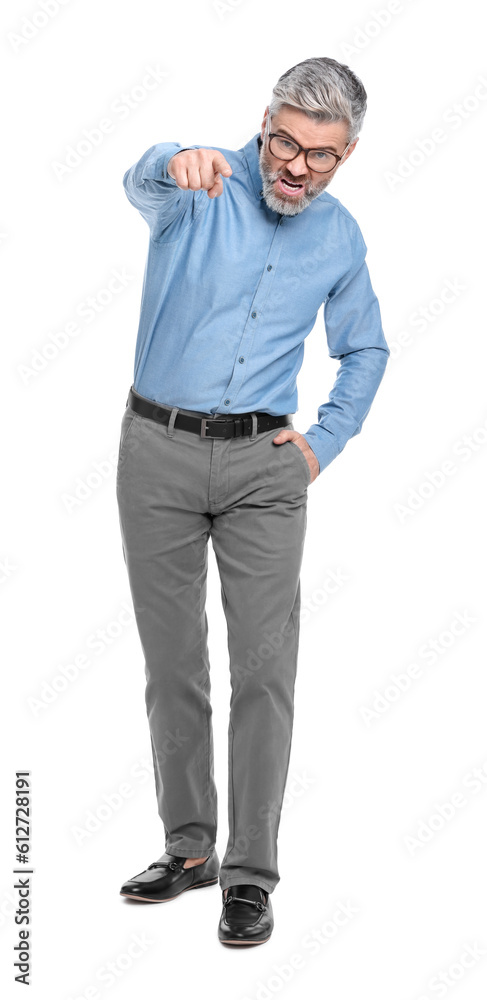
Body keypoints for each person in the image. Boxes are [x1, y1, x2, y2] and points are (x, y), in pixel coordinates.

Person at [117, 55, 390, 946]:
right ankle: (188, 848)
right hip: (156, 454)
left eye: (320, 154)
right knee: (172, 665)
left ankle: (248, 873)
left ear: (345, 155)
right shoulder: (198, 187)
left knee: (264, 673)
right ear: (265, 122)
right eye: (284, 142)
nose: (295, 167)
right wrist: (168, 160)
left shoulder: (338, 236)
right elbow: (141, 182)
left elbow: (366, 349)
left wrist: (322, 443)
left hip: (264, 471)